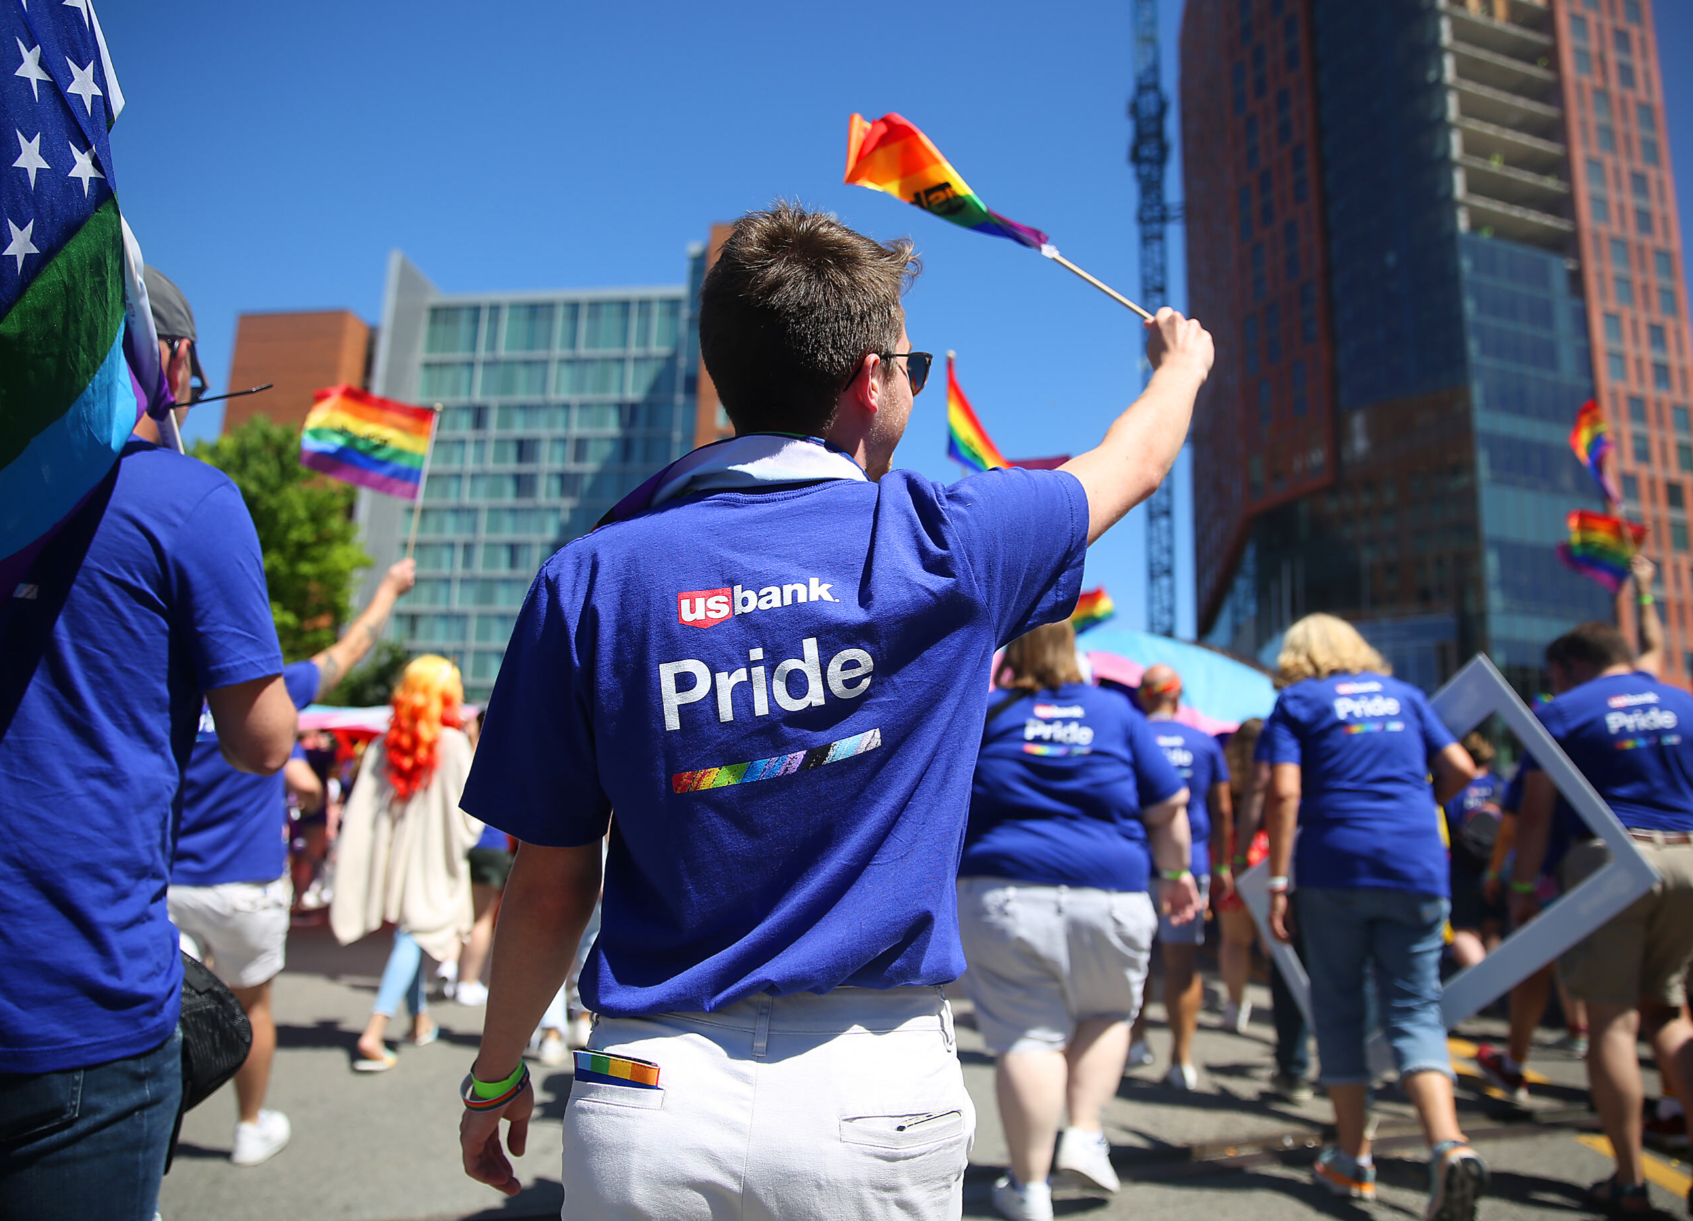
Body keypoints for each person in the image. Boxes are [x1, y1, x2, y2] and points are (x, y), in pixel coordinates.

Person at [455, 202, 1213, 1220]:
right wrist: (1181, 364)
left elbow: (550, 882)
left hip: (650, 1088)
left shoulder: (591, 576)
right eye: (913, 364)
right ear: (869, 380)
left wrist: (498, 1074)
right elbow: (1136, 463)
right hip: (875, 1091)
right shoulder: (949, 541)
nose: (913, 381)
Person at [0, 268, 296, 1219]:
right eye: (193, 374)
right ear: (161, 356)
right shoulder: (187, 501)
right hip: (81, 999)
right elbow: (263, 741)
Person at [166, 558, 416, 1164]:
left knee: (166, 1023)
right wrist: (387, 589)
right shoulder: (270, 689)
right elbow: (351, 648)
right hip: (245, 887)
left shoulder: (166, 692)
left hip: (169, 889)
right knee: (253, 1008)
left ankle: (153, 1147)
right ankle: (250, 1126)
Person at [958, 623, 1198, 1219]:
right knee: (1108, 1012)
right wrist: (1177, 876)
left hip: (1004, 890)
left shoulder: (990, 712)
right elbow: (1168, 806)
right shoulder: (1116, 713)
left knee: (1026, 1037)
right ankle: (1085, 1134)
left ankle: (1030, 1187)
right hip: (1109, 893)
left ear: (1014, 652)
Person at [1262, 613, 1487, 1220]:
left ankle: (1352, 1157)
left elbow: (1284, 794)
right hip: (1416, 862)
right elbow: (1463, 771)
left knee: (1338, 1009)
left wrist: (1277, 884)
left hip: (1336, 866)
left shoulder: (1298, 702)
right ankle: (1448, 1146)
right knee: (1416, 1008)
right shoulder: (1407, 697)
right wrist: (1414, 807)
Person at [1510, 614, 1693, 1215]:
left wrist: (1517, 887)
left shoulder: (1562, 712)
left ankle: (1630, 1180)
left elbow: (1535, 815)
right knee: (1669, 1014)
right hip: (1689, 857)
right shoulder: (1680, 700)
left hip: (1614, 859)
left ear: (1569, 668)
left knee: (1611, 1023)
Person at [331, 655, 482, 1071]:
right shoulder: (451, 744)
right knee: (414, 934)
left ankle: (419, 1021)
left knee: (409, 933)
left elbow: (363, 811)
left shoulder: (385, 744)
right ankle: (374, 1030)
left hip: (394, 857)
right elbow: (469, 814)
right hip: (432, 858)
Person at [1129, 664, 1228, 1090]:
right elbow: (1222, 811)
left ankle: (1135, 1042)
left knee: (1135, 963)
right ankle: (1182, 1060)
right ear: (1178, 693)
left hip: (1136, 864)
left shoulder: (1130, 735)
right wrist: (1225, 865)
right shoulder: (1204, 743)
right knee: (1182, 965)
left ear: (1144, 695)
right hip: (1190, 867)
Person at [1214, 719, 1267, 1035]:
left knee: (1233, 941)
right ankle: (1286, 1007)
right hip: (1269, 852)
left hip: (1231, 850)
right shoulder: (1278, 767)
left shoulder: (1226, 771)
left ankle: (1234, 1007)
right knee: (1273, 941)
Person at [1444, 732, 1505, 971]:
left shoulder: (1455, 786)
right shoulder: (1499, 783)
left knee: (1463, 930)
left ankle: (1485, 986)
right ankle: (1501, 990)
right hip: (1497, 865)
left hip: (1461, 868)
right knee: (1494, 928)